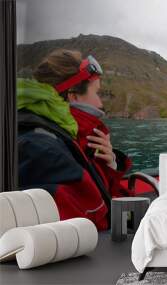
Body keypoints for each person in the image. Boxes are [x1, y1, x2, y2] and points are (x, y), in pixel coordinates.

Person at [17, 49, 132, 230]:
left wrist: (110, 167)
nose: (101, 103)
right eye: (97, 93)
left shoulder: (67, 139)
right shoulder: (43, 151)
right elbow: (99, 224)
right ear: (73, 96)